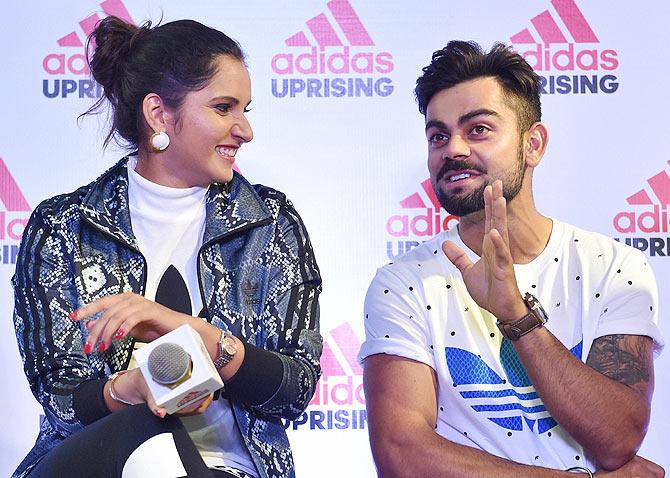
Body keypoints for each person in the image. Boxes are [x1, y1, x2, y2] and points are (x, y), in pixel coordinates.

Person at [12, 16, 322, 478]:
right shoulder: (63, 227)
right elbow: (57, 390)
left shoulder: (271, 224)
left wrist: (201, 337)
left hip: (231, 467)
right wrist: (128, 390)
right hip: (98, 461)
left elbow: (295, 389)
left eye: (246, 110)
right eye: (224, 108)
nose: (245, 130)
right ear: (159, 114)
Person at [359, 41, 664, 477]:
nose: (453, 150)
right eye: (438, 136)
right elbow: (403, 456)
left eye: (478, 129)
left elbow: (616, 440)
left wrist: (516, 316)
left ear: (533, 144)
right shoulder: (404, 282)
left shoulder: (615, 268)